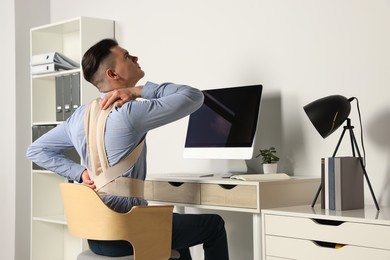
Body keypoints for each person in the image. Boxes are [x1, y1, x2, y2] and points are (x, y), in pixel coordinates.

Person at [26, 38, 229, 260]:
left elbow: (36, 151)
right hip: (127, 234)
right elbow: (194, 97)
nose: (135, 58)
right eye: (126, 56)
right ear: (113, 74)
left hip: (96, 234)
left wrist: (80, 173)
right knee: (213, 225)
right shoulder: (128, 112)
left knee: (177, 236)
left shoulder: (79, 116)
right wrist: (138, 90)